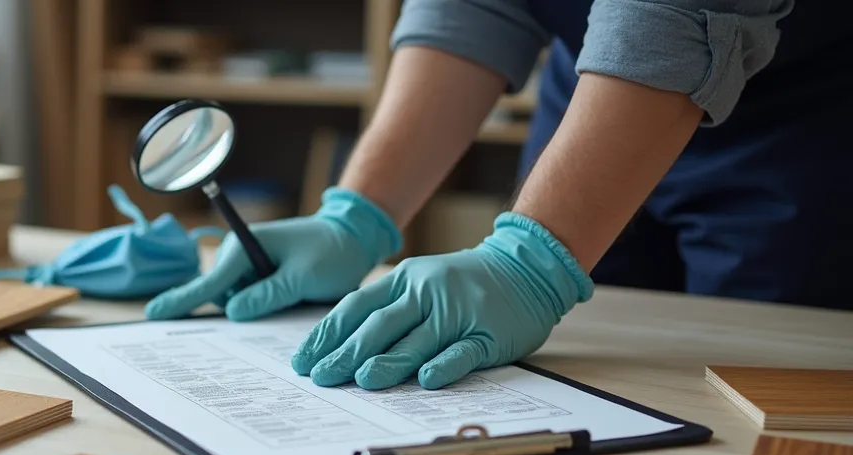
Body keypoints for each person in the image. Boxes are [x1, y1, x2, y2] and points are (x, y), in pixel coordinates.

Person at [143, 0, 851, 392]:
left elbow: (678, 12)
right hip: (592, 99)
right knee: (582, 385)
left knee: (763, 399)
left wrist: (529, 265)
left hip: (799, 123)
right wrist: (357, 212)